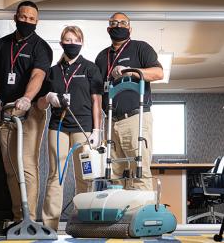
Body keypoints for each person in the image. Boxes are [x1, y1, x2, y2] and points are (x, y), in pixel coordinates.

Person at [0, 1, 53, 221]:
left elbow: (38, 76)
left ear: (37, 21)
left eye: (31, 19)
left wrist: (27, 98)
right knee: (10, 167)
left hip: (30, 111)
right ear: (15, 17)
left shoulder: (41, 47)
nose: (27, 21)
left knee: (26, 164)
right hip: (4, 111)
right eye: (23, 17)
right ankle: (18, 219)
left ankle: (30, 219)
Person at [38, 26, 104, 231]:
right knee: (55, 175)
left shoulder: (91, 69)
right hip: (57, 127)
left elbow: (97, 101)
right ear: (61, 43)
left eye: (76, 40)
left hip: (83, 129)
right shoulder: (52, 71)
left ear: (82, 43)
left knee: (84, 177)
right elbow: (40, 104)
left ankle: (82, 223)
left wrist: (97, 130)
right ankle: (49, 226)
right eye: (68, 39)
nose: (72, 43)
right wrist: (48, 98)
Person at [95, 12, 163, 190]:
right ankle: (121, 216)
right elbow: (96, 91)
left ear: (130, 28)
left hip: (135, 118)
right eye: (114, 23)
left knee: (139, 171)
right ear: (108, 28)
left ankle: (141, 215)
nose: (118, 26)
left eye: (123, 23)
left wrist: (130, 71)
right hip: (111, 120)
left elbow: (158, 73)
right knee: (114, 173)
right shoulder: (102, 57)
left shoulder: (141, 48)